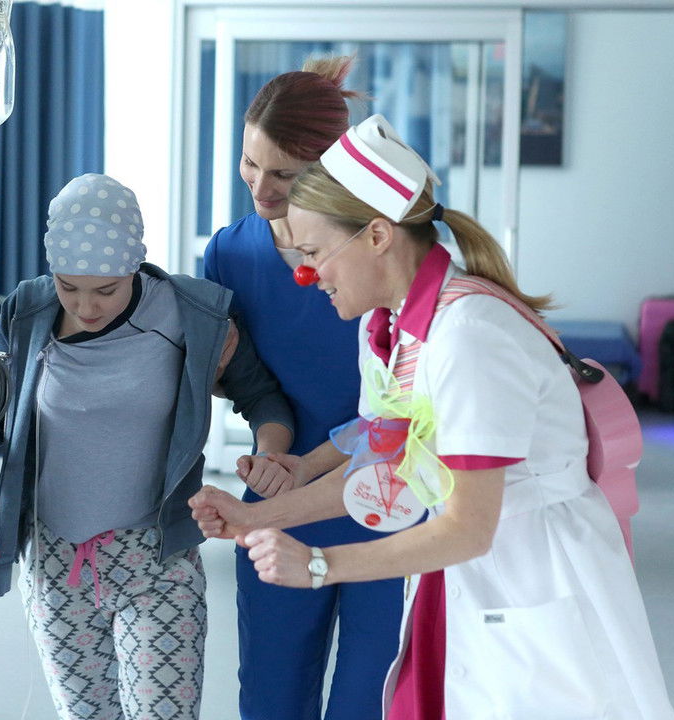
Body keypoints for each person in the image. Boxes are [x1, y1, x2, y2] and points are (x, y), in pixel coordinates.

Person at [190, 115, 674, 718]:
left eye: (313, 253)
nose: (306, 275)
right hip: (467, 585)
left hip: (532, 579)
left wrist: (319, 565)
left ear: (377, 236)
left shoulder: (470, 337)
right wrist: (254, 517)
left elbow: (468, 527)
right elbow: (390, 468)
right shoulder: (390, 328)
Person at [0, 173, 294, 720]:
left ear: (134, 267)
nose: (86, 306)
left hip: (157, 560)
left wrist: (270, 452)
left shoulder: (191, 314)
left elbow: (262, 397)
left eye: (106, 290)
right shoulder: (27, 312)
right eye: (69, 287)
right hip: (55, 561)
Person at [202, 55, 403, 720]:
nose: (261, 187)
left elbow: (409, 403)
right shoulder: (229, 255)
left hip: (390, 497)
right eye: (249, 163)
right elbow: (246, 383)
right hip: (280, 491)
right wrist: (263, 440)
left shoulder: (384, 252)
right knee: (272, 695)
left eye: (284, 174)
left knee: (371, 698)